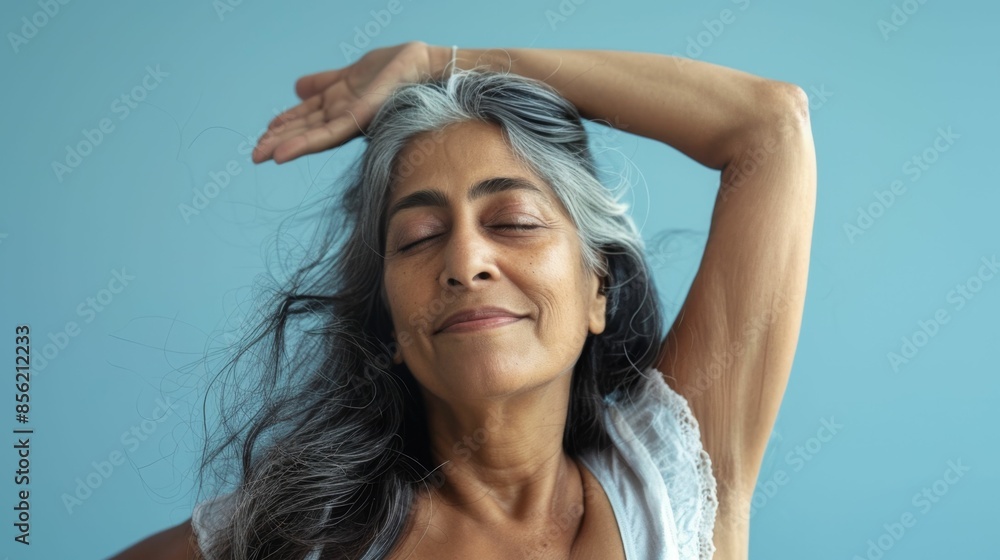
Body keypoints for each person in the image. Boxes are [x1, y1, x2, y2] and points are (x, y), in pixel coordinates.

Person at [109, 41, 815, 559]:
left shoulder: (674, 482)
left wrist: (441, 63)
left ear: (597, 286)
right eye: (419, 237)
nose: (466, 261)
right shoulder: (303, 535)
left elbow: (769, 128)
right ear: (385, 322)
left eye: (512, 222)